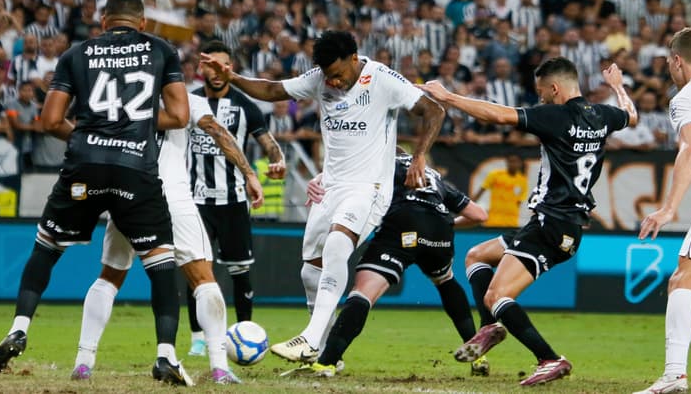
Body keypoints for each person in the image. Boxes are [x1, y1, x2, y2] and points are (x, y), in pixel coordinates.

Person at [0, 0, 194, 386]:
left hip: (84, 167)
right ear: (142, 24)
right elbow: (180, 116)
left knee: (46, 248)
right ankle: (166, 354)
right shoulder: (161, 50)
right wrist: (139, 128)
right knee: (161, 264)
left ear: (103, 22)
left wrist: (87, 134)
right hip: (135, 170)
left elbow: (49, 121)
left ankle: (20, 327)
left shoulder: (77, 54)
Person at [200, 30, 445, 363]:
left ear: (354, 59)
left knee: (336, 246)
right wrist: (232, 77)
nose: (332, 82)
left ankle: (312, 339)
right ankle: (329, 352)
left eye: (338, 75)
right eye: (328, 76)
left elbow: (434, 111)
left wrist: (419, 156)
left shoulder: (384, 80)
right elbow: (273, 90)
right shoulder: (319, 78)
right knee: (310, 271)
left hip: (368, 187)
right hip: (331, 185)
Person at [419, 57, 637, 387]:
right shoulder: (602, 115)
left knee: (498, 296)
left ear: (555, 88)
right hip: (561, 224)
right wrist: (618, 87)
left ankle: (550, 358)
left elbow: (497, 114)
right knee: (476, 256)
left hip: (553, 224)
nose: (540, 100)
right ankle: (489, 328)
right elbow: (631, 116)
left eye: (542, 93)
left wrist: (447, 97)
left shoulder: (555, 116)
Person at [72, 93, 265, 385]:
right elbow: (218, 132)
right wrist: (248, 172)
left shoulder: (123, 97)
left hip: (127, 193)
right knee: (203, 279)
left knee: (109, 277)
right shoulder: (186, 99)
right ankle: (219, 367)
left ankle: (83, 362)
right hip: (172, 196)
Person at [297, 149, 489, 377]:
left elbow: (345, 179)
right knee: (444, 279)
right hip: (440, 229)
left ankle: (327, 362)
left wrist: (318, 178)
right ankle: (479, 355)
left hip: (402, 224)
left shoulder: (380, 162)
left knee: (363, 293)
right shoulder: (433, 175)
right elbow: (479, 215)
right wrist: (446, 224)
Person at [185, 40, 286, 357]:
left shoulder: (245, 106)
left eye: (222, 65)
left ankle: (245, 331)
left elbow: (267, 142)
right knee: (196, 270)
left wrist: (278, 159)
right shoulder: (187, 101)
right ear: (201, 68)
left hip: (233, 201)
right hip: (195, 201)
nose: (216, 71)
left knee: (240, 271)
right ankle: (197, 338)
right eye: (210, 64)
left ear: (230, 68)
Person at [634, 28, 691, 394]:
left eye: (669, 64)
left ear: (678, 60)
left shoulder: (688, 95)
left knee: (683, 280)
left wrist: (668, 208)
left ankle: (675, 374)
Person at [472, 153, 528, 228]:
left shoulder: (522, 180)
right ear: (507, 162)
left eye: (516, 161)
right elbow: (481, 191)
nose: (513, 164)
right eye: (511, 161)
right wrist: (469, 207)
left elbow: (519, 201)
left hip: (511, 221)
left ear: (520, 164)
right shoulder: (495, 175)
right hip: (494, 220)